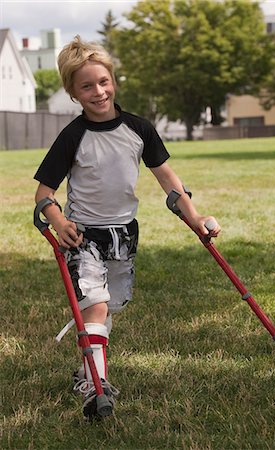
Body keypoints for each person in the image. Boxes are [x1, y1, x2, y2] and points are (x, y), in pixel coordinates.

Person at [34, 35, 221, 419]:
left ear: (113, 80)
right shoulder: (73, 135)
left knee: (108, 306)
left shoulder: (139, 128)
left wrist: (196, 217)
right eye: (86, 86)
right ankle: (96, 388)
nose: (98, 91)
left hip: (123, 235)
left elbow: (168, 179)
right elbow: (44, 193)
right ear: (73, 92)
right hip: (83, 234)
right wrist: (57, 220)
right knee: (96, 305)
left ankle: (87, 372)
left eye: (103, 82)